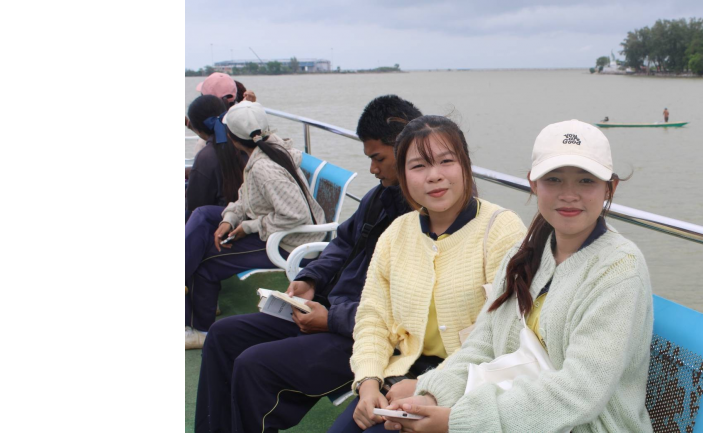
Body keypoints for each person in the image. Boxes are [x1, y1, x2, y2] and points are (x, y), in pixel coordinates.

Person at [383, 120, 655, 432]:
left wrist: (456, 422)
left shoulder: (619, 269)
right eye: (553, 179)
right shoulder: (523, 253)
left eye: (586, 181)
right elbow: (483, 344)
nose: (569, 194)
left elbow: (579, 391)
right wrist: (432, 396)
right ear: (533, 184)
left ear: (610, 187)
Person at [194, 95, 423, 433]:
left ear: (406, 148)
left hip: (361, 333)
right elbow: (343, 241)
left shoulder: (425, 220)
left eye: (378, 159)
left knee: (254, 366)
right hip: (329, 309)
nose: (373, 169)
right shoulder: (380, 196)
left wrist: (331, 319)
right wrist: (311, 278)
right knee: (222, 335)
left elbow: (406, 312)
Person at [328, 115, 527, 433]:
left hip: (469, 385)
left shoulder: (501, 230)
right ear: (404, 176)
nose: (435, 176)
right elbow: (373, 318)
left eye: (446, 161)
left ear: (465, 164)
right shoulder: (396, 233)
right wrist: (368, 382)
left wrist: (427, 385)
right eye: (419, 166)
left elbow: (506, 335)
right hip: (400, 377)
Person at [185, 101, 325, 350]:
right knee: (204, 215)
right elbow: (245, 196)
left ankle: (201, 330)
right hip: (278, 229)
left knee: (207, 263)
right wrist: (229, 219)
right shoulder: (266, 149)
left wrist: (249, 227)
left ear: (231, 137)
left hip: (291, 243)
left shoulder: (263, 168)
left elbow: (296, 215)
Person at [185, 95, 246, 221]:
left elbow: (195, 204)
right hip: (245, 215)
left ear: (197, 128)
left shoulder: (205, 156)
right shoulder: (242, 142)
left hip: (218, 221)